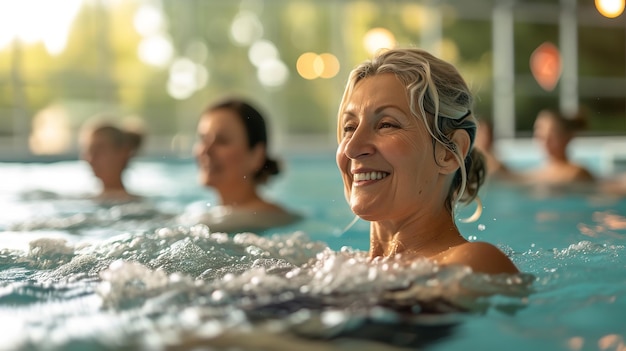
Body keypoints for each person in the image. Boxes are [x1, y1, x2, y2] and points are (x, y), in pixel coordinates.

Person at [335, 48, 519, 275]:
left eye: (386, 124)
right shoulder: (337, 265)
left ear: (449, 153)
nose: (352, 148)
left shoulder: (472, 264)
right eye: (349, 128)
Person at [182, 97, 301, 233]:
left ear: (256, 156)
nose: (205, 150)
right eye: (203, 138)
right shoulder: (204, 212)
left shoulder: (266, 217)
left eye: (222, 141)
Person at [525, 108, 594, 184]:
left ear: (567, 137)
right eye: (541, 136)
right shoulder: (538, 173)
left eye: (551, 136)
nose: (545, 142)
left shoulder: (577, 173)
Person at [79, 119, 144, 201]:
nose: (91, 159)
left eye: (99, 149)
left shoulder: (138, 206)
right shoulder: (84, 199)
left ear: (123, 152)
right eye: (90, 151)